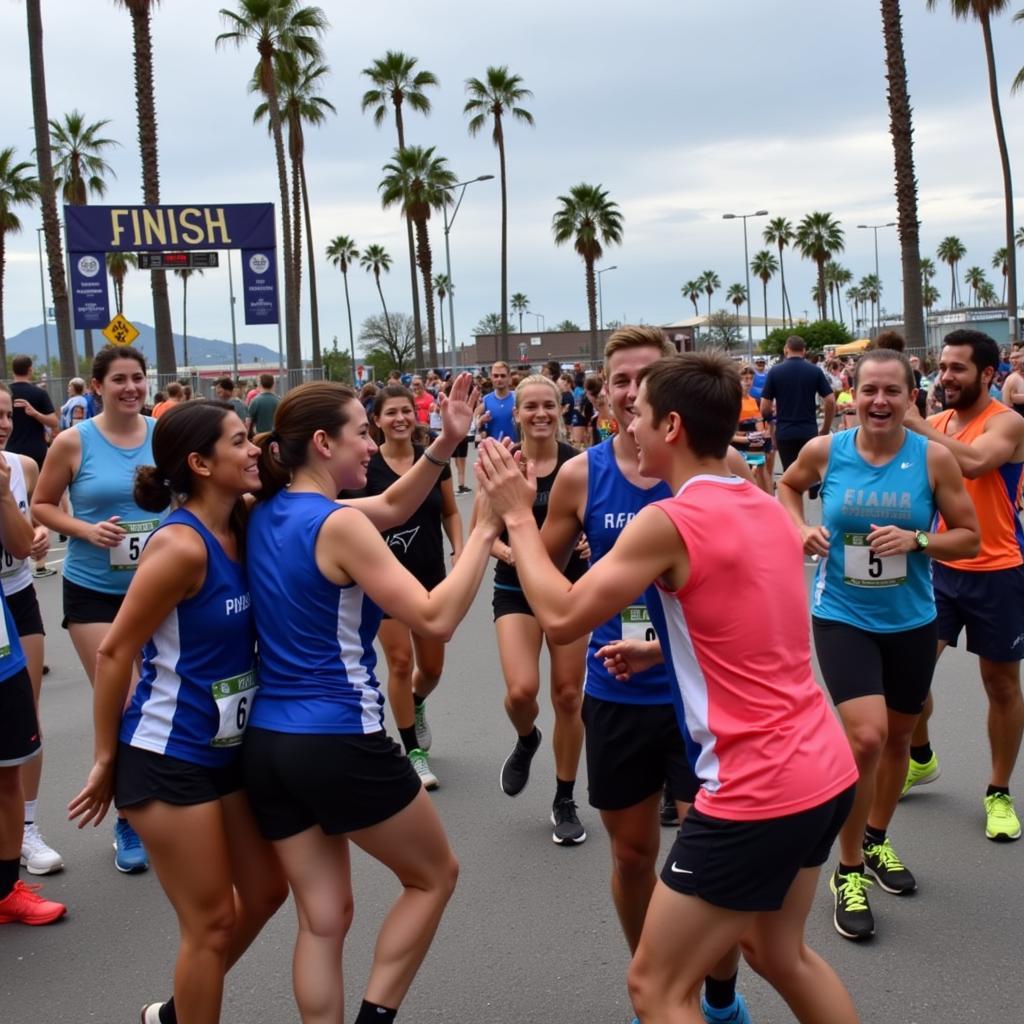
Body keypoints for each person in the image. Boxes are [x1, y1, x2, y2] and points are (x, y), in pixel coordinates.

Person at [475, 351, 860, 1024]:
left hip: (757, 787)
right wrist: (662, 652)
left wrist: (515, 516)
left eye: (641, 415)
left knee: (655, 988)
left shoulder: (671, 520)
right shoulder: (764, 505)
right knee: (780, 953)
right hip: (823, 770)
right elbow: (757, 635)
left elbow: (562, 616)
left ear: (673, 426)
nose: (631, 424)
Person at [242, 377, 500, 1024]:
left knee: (323, 920)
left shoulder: (267, 511)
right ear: (323, 442)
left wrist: (445, 442)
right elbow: (435, 617)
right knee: (433, 876)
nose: (372, 445)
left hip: (270, 744)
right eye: (362, 432)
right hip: (339, 738)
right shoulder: (337, 525)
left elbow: (388, 503)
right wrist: (484, 531)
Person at [538, 327, 754, 1024]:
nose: (633, 390)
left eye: (647, 377)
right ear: (604, 395)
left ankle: (714, 993)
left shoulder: (718, 472)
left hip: (703, 702)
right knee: (633, 857)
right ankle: (654, 984)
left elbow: (754, 591)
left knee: (710, 865)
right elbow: (543, 574)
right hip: (618, 692)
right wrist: (517, 530)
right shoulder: (582, 474)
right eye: (622, 379)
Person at [68, 400, 288, 1024]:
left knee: (268, 891)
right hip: (166, 755)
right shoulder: (181, 547)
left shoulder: (244, 523)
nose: (254, 451)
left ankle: (176, 1012)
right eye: (240, 441)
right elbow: (115, 652)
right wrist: (106, 758)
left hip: (226, 751)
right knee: (211, 923)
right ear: (199, 463)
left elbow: (359, 512)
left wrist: (444, 453)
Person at [778, 348, 978, 941]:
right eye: (868, 391)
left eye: (893, 391)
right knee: (864, 736)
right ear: (850, 397)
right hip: (842, 613)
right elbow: (788, 489)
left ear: (911, 398)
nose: (880, 401)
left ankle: (876, 839)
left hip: (912, 618)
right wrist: (800, 528)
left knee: (895, 738)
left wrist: (918, 539)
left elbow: (969, 538)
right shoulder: (826, 452)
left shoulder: (934, 460)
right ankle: (847, 870)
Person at [33, 345, 163, 874]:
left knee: (162, 701)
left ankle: (168, 803)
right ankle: (129, 819)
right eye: (120, 380)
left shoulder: (163, 433)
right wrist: (86, 529)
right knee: (126, 702)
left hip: (158, 589)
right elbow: (42, 504)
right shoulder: (73, 441)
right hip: (93, 590)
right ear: (97, 385)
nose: (131, 388)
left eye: (138, 378)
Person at [901, 330, 1024, 842]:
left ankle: (997, 791)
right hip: (940, 568)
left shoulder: (1009, 422)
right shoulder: (937, 423)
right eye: (943, 367)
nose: (944, 377)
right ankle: (922, 757)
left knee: (1000, 685)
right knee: (908, 676)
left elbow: (975, 463)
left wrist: (917, 428)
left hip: (998, 570)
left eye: (957, 369)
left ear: (988, 374)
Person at [485, 374, 589, 846]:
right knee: (521, 691)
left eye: (549, 404)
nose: (541, 414)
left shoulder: (581, 466)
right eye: (531, 407)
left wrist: (590, 541)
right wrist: (518, 554)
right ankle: (527, 738)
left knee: (568, 696)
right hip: (515, 589)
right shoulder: (503, 464)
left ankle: (564, 797)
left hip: (571, 589)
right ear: (517, 412)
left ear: (562, 407)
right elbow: (481, 538)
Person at [347, 384, 464, 790]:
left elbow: (450, 511)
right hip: (383, 583)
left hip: (430, 577)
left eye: (406, 411)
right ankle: (413, 751)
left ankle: (416, 703)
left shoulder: (432, 459)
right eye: (391, 413)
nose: (400, 419)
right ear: (376, 420)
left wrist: (460, 550)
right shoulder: (365, 469)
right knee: (399, 662)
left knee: (430, 668)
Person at [0, 441, 65, 927]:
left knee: (14, 750)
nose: (2, 425)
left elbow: (22, 545)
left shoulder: (17, 469)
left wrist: (7, 499)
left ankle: (12, 873)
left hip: (10, 612)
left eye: (5, 415)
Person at [760, 336, 835, 498]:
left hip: (785, 432)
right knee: (812, 470)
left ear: (786, 350)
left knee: (790, 478)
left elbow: (764, 407)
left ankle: (795, 515)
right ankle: (813, 488)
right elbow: (830, 400)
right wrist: (825, 428)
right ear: (804, 351)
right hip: (808, 431)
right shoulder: (814, 371)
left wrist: (771, 424)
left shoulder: (775, 372)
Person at [8, 356, 59, 579]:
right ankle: (39, 562)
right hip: (32, 451)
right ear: (30, 370)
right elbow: (54, 422)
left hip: (15, 452)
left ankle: (35, 560)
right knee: (31, 503)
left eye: (8, 416)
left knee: (19, 503)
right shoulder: (38, 393)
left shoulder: (10, 394)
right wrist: (36, 414)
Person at [733, 365, 772, 493]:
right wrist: (746, 436)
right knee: (745, 479)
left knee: (762, 472)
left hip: (754, 442)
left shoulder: (753, 400)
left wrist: (764, 435)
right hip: (738, 445)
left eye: (750, 378)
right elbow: (730, 431)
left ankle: (769, 501)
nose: (748, 382)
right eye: (745, 379)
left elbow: (759, 424)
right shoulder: (733, 401)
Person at [477, 361, 517, 442]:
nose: (499, 379)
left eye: (503, 376)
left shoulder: (517, 398)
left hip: (515, 449)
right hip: (494, 449)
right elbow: (479, 429)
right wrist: (481, 422)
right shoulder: (486, 400)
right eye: (496, 376)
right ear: (491, 378)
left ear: (509, 377)